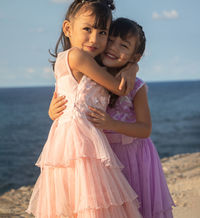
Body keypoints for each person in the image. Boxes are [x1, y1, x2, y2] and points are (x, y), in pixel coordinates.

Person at [26, 0, 142, 218]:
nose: (94, 39)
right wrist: (131, 67)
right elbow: (119, 88)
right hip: (80, 141)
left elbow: (63, 95)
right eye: (87, 30)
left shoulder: (77, 59)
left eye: (102, 33)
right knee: (88, 201)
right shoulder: (77, 57)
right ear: (68, 29)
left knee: (82, 203)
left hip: (76, 138)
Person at [49, 17, 175, 218]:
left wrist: (112, 124)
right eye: (110, 40)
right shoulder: (89, 76)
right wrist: (52, 110)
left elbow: (145, 129)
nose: (113, 48)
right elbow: (68, 95)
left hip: (134, 157)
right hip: (101, 158)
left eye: (123, 45)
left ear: (136, 56)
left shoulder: (135, 86)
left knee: (137, 208)